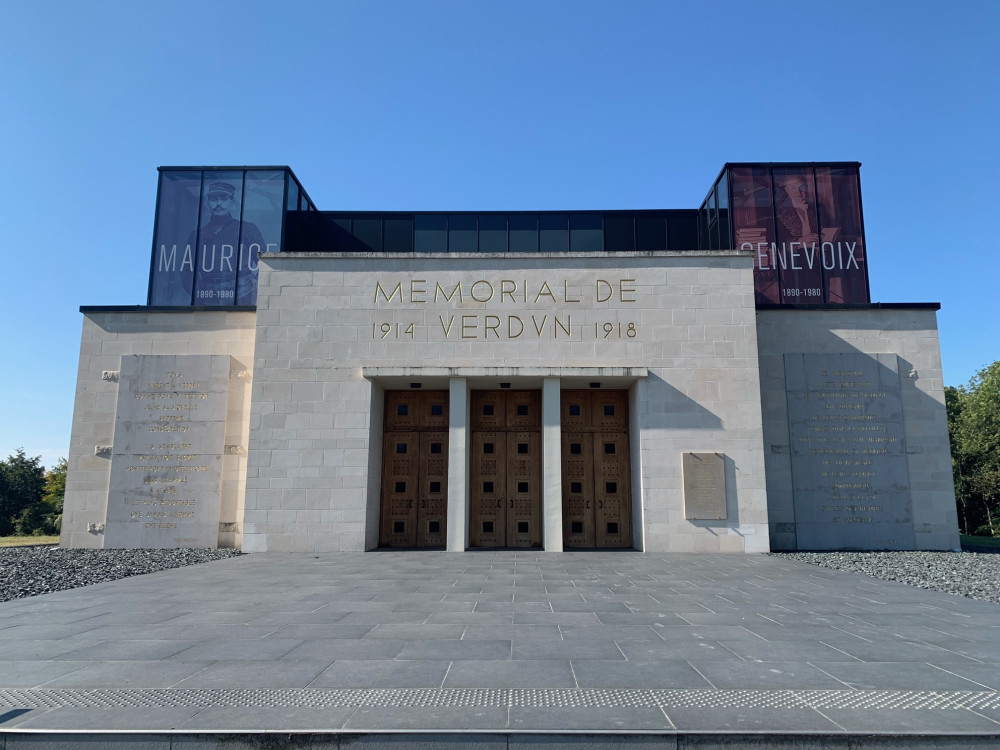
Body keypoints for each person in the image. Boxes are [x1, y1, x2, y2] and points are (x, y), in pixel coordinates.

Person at [188, 181, 266, 305]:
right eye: (213, 199)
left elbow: (264, 263)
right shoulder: (196, 234)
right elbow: (187, 270)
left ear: (231, 202)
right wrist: (198, 290)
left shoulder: (248, 229)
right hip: (207, 295)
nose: (219, 204)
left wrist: (254, 288)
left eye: (224, 199)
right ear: (207, 202)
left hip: (243, 291)